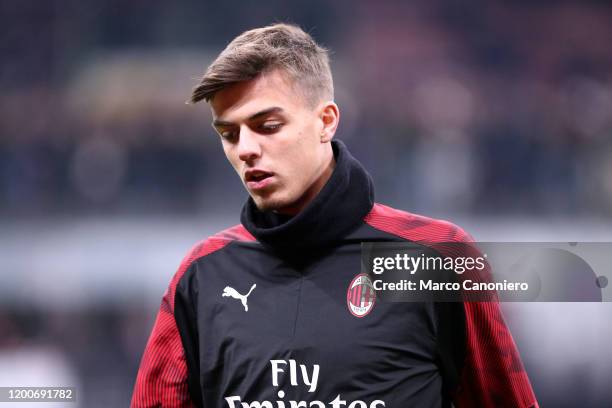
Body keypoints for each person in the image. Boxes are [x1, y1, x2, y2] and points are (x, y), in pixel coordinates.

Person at [131, 23, 538, 408]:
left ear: (325, 121)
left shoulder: (438, 256)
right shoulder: (202, 275)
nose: (246, 149)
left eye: (268, 125)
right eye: (229, 134)